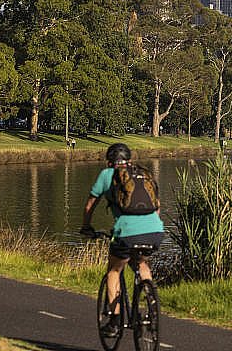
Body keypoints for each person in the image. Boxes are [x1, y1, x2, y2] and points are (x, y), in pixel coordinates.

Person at [80, 143, 164, 337]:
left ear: (110, 162)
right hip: (155, 231)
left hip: (126, 233)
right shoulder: (143, 175)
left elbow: (89, 206)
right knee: (142, 264)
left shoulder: (106, 175)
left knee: (114, 271)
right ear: (130, 161)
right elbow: (157, 207)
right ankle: (152, 308)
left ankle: (115, 321)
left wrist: (86, 227)